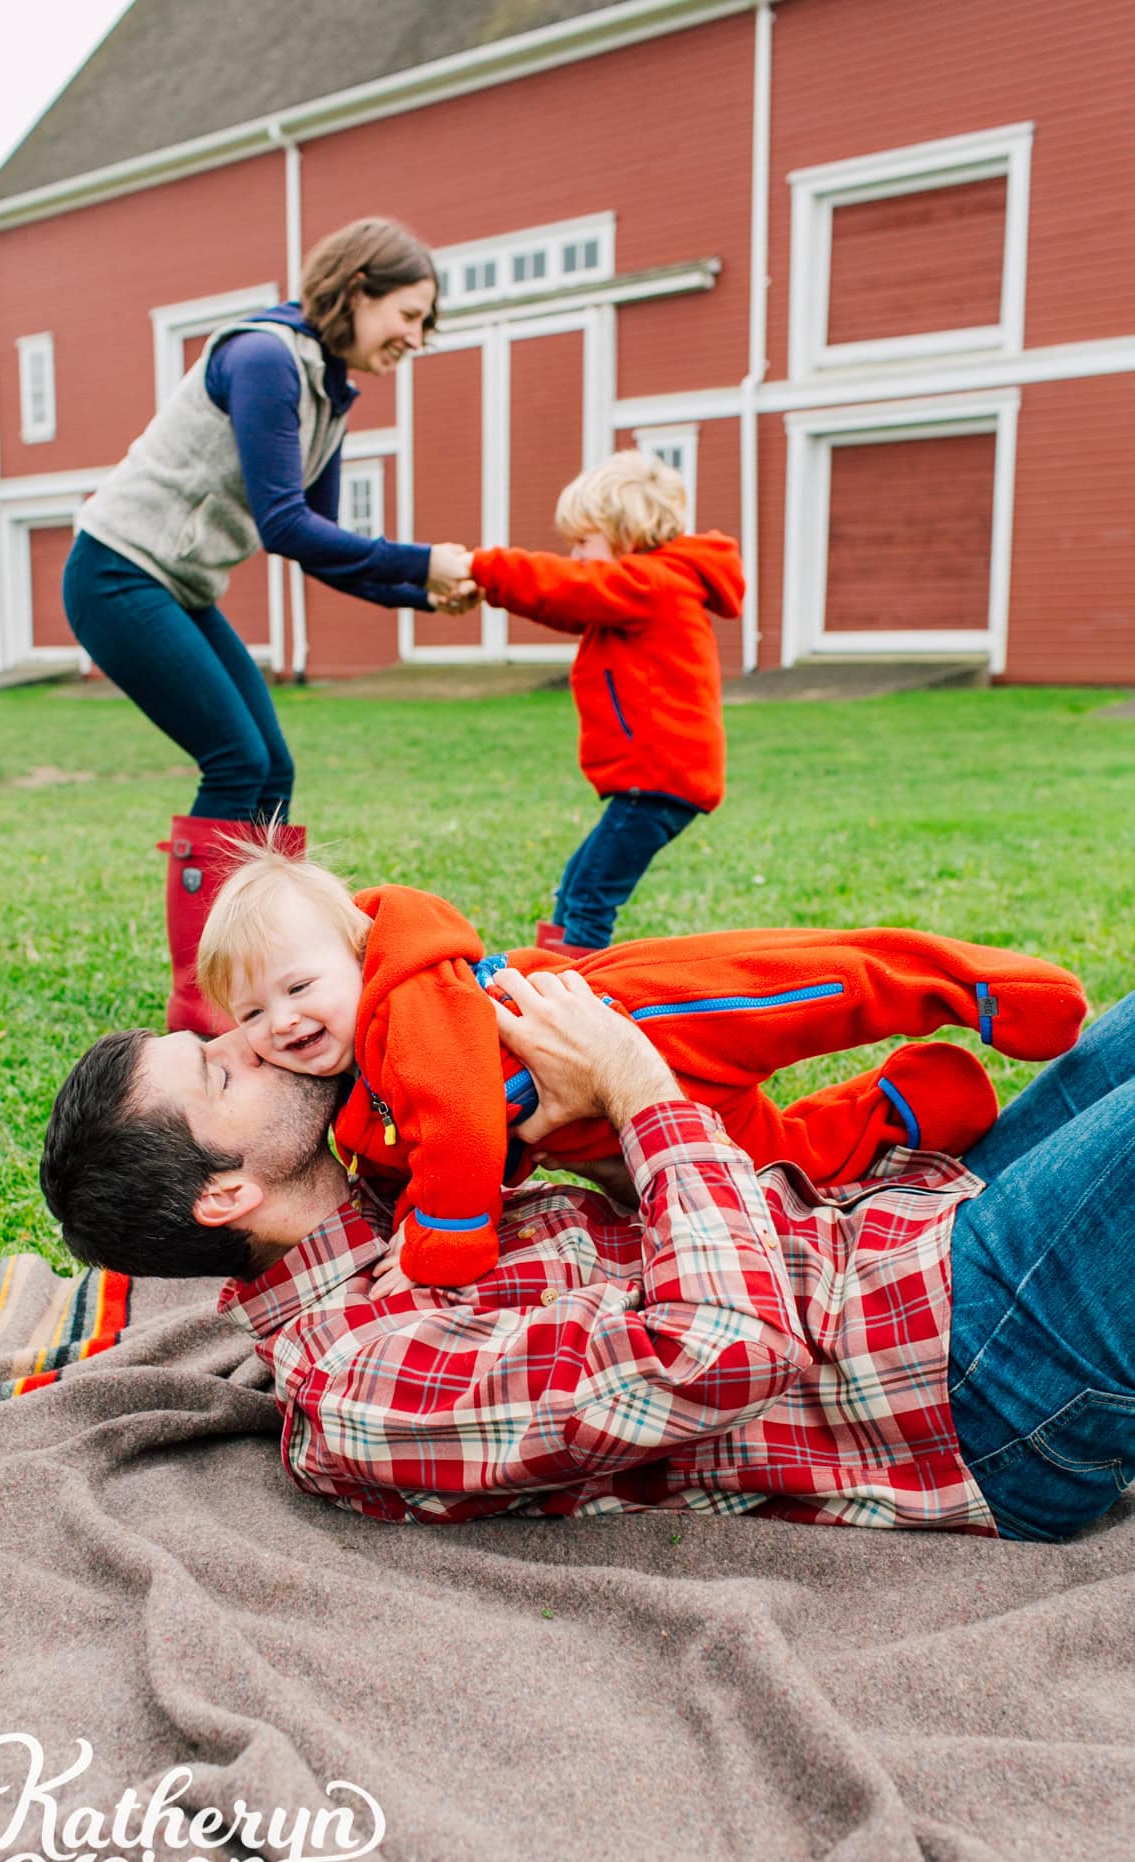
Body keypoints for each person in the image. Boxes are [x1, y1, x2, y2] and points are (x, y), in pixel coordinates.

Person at [39, 971, 1135, 1547]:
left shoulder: (420, 1199)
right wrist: (639, 1085)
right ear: (228, 1189)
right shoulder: (356, 1384)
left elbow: (651, 1243)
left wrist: (594, 1139)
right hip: (963, 1373)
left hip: (916, 1226)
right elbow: (724, 1348)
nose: (249, 1035)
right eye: (217, 1071)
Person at [190, 835, 1086, 1288]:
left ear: (358, 956)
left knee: (802, 986)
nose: (282, 1022)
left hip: (636, 1018)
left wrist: (441, 1245)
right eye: (254, 1012)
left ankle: (968, 987)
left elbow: (460, 1128)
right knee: (771, 1168)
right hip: (620, 1117)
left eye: (301, 986)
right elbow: (403, 1156)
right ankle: (907, 1109)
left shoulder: (406, 1006)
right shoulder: (355, 1092)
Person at [60, 217, 476, 1034]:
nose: (416, 338)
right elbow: (285, 524)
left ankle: (258, 967)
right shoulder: (263, 358)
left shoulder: (330, 394)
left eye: (425, 324)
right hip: (115, 572)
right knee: (236, 759)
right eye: (409, 314)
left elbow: (318, 551)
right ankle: (200, 1003)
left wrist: (422, 596)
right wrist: (421, 556)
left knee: (271, 769)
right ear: (357, 291)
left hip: (174, 585)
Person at [469, 449, 743, 953]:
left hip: (659, 782)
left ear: (628, 535)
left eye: (582, 541)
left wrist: (479, 566)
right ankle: (548, 978)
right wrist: (492, 590)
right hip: (656, 782)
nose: (574, 555)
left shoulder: (653, 584)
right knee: (577, 885)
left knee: (592, 897)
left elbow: (567, 587)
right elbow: (568, 604)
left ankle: (576, 1002)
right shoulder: (640, 589)